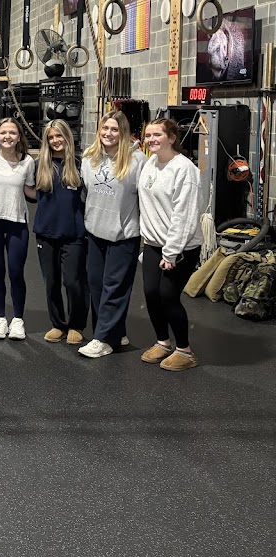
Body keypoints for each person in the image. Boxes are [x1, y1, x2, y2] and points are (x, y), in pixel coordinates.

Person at [78, 110, 146, 359]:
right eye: (105, 128)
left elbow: (144, 199)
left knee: (114, 288)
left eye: (114, 129)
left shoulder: (137, 161)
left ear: (123, 132)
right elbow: (85, 193)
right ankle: (114, 333)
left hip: (123, 234)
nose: (108, 133)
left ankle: (102, 339)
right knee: (96, 285)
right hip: (95, 231)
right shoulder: (89, 157)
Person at [138, 118, 203, 371]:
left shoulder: (184, 169)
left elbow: (184, 215)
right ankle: (163, 342)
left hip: (180, 247)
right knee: (151, 293)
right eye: (148, 135)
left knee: (168, 296)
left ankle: (185, 351)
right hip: (153, 244)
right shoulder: (150, 163)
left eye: (157, 135)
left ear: (172, 138)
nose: (151, 139)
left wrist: (172, 252)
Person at [0, 117, 36, 340]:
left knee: (16, 272)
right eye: (3, 133)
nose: (7, 136)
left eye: (12, 133)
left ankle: (18, 320)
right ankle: (0, 319)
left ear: (19, 136)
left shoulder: (27, 162)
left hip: (16, 222)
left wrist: (56, 195)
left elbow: (30, 191)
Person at [34, 119, 88, 346]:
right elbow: (28, 191)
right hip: (46, 232)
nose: (55, 141)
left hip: (74, 233)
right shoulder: (39, 165)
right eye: (51, 137)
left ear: (68, 137)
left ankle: (76, 325)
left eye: (59, 136)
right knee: (51, 282)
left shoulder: (80, 164)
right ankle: (58, 324)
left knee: (73, 282)